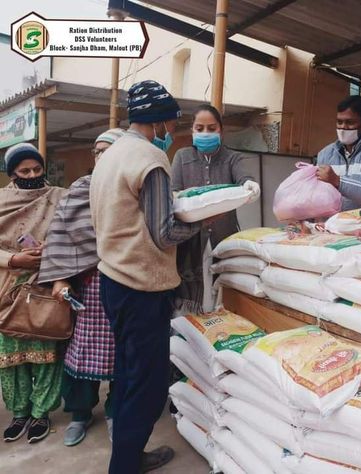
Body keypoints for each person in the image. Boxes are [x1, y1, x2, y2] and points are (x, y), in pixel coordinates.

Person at [90, 81, 204, 474]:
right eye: (173, 121)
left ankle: (127, 455)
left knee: (127, 373)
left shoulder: (110, 155)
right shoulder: (150, 160)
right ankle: (124, 465)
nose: (173, 130)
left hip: (113, 279)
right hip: (141, 287)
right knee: (148, 383)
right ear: (159, 121)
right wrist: (204, 216)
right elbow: (165, 232)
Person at [38, 129, 125, 447]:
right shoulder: (79, 190)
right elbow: (59, 234)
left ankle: (118, 413)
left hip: (125, 283)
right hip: (87, 286)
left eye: (108, 150)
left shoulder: (134, 188)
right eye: (96, 150)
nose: (100, 156)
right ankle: (80, 414)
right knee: (82, 354)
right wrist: (60, 278)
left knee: (123, 356)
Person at [0, 143, 66, 443]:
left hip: (46, 283)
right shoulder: (1, 200)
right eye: (24, 171)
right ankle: (19, 413)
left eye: (37, 169)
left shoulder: (60, 198)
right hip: (8, 289)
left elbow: (75, 234)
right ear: (12, 173)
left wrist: (49, 251)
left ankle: (41, 413)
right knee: (12, 357)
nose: (32, 175)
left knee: (47, 354)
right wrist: (14, 259)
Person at [171, 104, 260, 313]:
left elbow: (244, 178)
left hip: (223, 238)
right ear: (192, 129)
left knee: (221, 295)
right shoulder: (182, 158)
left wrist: (249, 185)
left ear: (221, 130)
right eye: (199, 128)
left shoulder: (232, 158)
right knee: (192, 297)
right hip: (190, 240)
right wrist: (187, 196)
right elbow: (173, 193)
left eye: (211, 128)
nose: (205, 133)